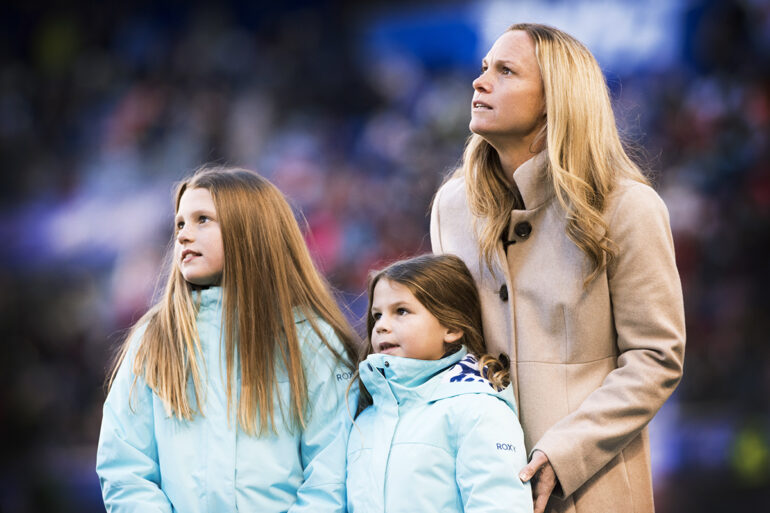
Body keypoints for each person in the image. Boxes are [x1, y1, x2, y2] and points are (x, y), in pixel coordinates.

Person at [430, 23, 685, 513]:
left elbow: (655, 357)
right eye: (484, 69)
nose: (480, 82)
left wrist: (563, 452)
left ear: (555, 99)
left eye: (505, 71)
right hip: (478, 489)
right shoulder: (451, 206)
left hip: (591, 488)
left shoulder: (627, 206)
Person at [96, 167, 358, 512]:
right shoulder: (155, 338)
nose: (184, 235)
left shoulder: (311, 341)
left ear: (252, 230)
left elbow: (332, 472)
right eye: (180, 224)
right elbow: (126, 468)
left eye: (202, 219)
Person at [345, 254, 533, 513]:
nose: (381, 327)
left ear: (451, 328)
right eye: (377, 315)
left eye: (401, 311)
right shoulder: (363, 418)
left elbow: (499, 504)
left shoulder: (477, 409)